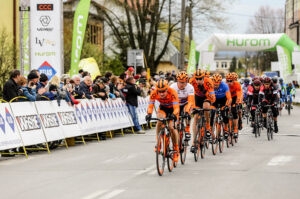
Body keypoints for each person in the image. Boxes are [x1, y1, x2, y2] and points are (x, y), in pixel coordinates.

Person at [146, 79, 180, 162]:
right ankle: (159, 144)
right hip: (163, 108)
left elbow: (177, 108)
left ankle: (176, 148)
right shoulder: (154, 92)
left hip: (173, 109)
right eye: (159, 91)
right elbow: (150, 106)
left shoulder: (172, 92)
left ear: (167, 89)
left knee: (172, 128)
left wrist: (174, 114)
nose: (161, 93)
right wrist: (149, 114)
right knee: (159, 121)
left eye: (163, 91)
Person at [189, 69, 216, 152]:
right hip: (196, 98)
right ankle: (194, 142)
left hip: (206, 97)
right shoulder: (191, 82)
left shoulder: (209, 82)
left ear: (203, 78)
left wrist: (205, 91)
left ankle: (208, 126)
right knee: (196, 117)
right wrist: (192, 107)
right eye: (196, 79)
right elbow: (190, 96)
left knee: (206, 106)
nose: (198, 81)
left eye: (200, 79)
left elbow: (213, 99)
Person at [170, 71, 194, 140]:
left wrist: (187, 111)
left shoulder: (190, 87)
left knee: (187, 111)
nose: (181, 84)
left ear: (186, 82)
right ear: (177, 81)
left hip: (185, 104)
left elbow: (190, 101)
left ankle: (187, 130)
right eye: (179, 82)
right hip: (175, 104)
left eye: (183, 82)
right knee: (175, 122)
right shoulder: (173, 87)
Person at [211, 74, 232, 138]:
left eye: (217, 85)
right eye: (214, 85)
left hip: (223, 100)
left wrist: (227, 105)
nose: (215, 86)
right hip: (214, 100)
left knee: (224, 113)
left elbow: (229, 98)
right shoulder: (210, 85)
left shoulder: (225, 85)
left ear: (220, 83)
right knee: (211, 113)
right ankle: (211, 131)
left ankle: (225, 129)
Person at [225, 73, 243, 138]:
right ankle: (226, 129)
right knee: (224, 111)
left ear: (234, 80)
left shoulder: (237, 84)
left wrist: (238, 102)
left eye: (231, 81)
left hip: (235, 97)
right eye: (228, 81)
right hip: (227, 98)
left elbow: (239, 95)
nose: (229, 82)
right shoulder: (225, 84)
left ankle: (235, 128)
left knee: (235, 110)